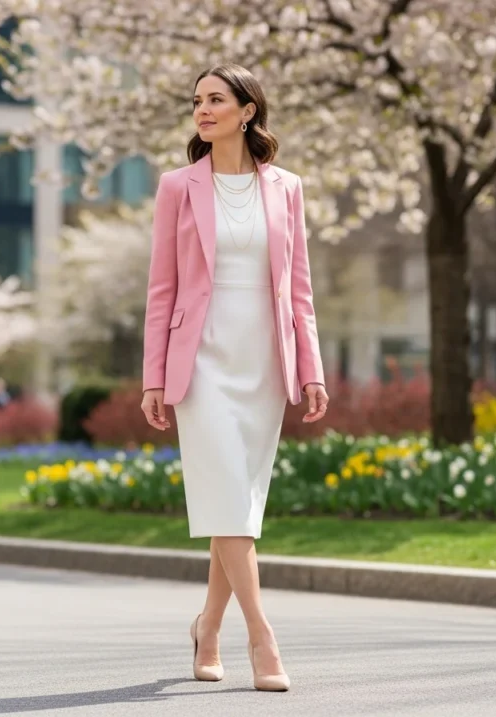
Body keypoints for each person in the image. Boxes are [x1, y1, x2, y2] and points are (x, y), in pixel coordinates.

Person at [140, 63, 329, 693]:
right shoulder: (177, 187)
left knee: (236, 507)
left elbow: (299, 289)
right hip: (200, 361)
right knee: (227, 497)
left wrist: (310, 369)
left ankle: (208, 628)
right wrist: (153, 377)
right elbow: (161, 289)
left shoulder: (286, 187)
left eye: (216, 99)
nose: (203, 109)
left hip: (265, 362)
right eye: (197, 100)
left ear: (247, 111)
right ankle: (262, 637)